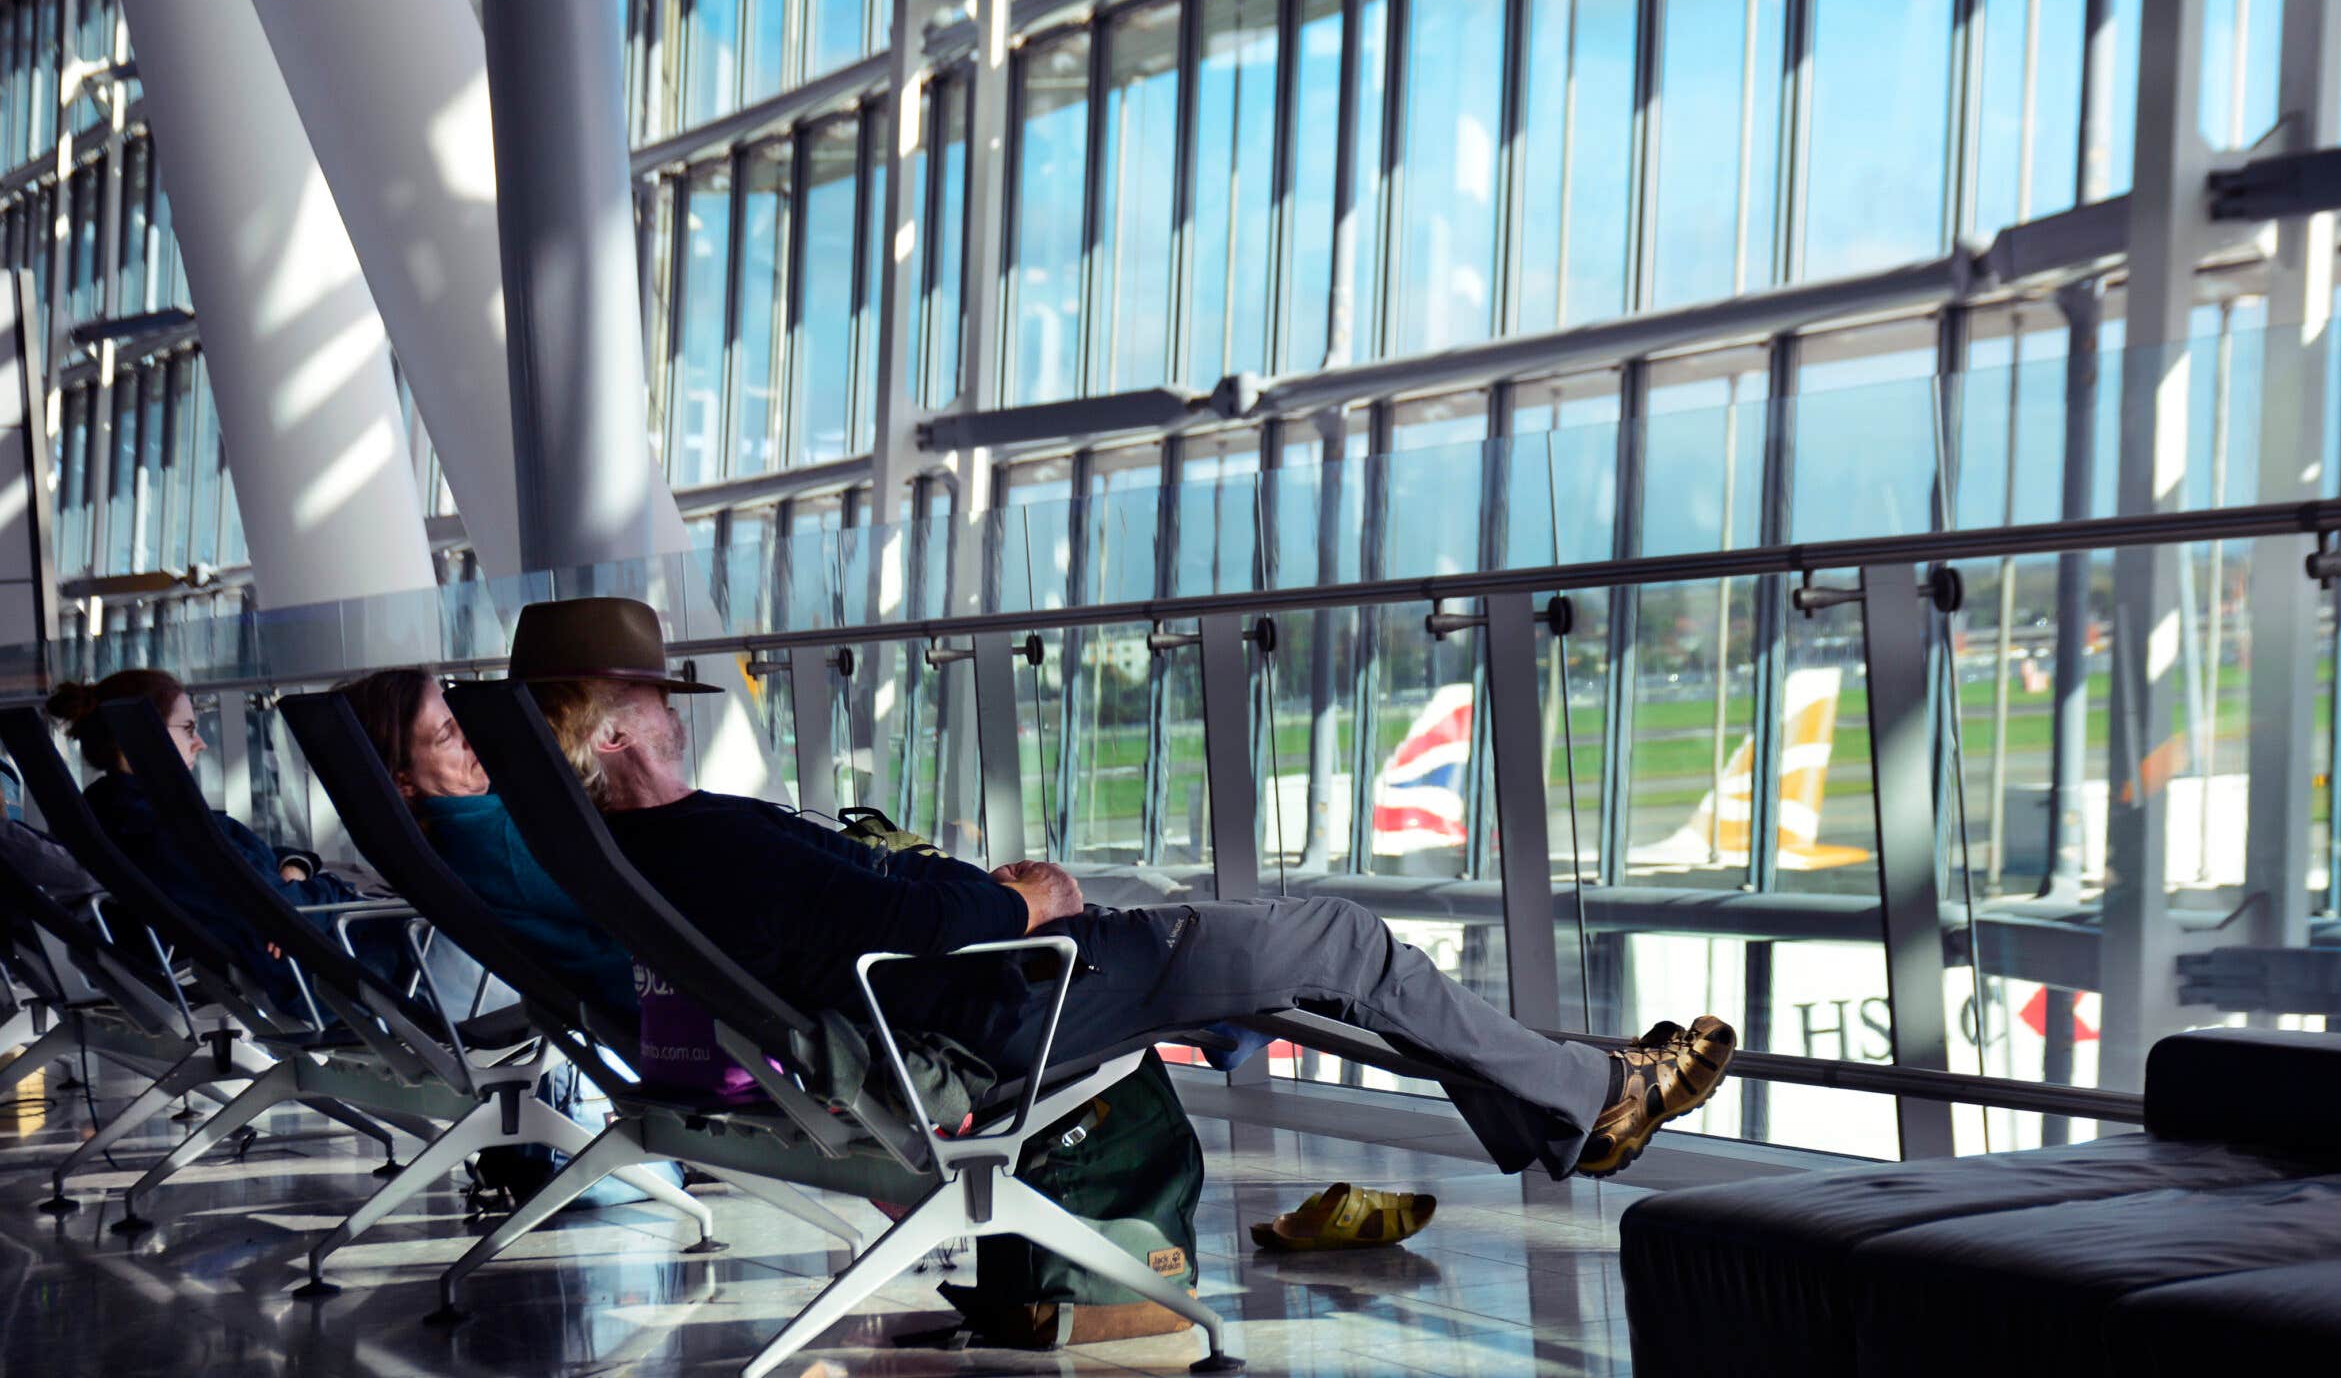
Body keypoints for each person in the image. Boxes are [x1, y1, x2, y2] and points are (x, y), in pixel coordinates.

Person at [512, 597, 1735, 1181]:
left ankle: (1574, 1100)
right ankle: (1585, 1092)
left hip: (962, 994)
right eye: (657, 699)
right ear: (614, 733)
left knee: (1298, 978)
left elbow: (858, 916)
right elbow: (914, 923)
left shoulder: (650, 854)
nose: (675, 712)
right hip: (1002, 1002)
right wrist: (1025, 903)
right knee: (1340, 942)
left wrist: (971, 902)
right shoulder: (708, 844)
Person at [46, 670, 414, 1013]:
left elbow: (262, 883)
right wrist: (316, 893)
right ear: (138, 737)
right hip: (332, 976)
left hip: (303, 943)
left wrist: (296, 870)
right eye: (188, 729)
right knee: (418, 927)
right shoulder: (164, 831)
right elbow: (279, 912)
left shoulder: (109, 814)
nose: (200, 743)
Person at [334, 668, 634, 1026]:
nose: (468, 735)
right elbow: (628, 901)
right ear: (405, 781)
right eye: (447, 735)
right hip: (643, 994)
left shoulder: (442, 835)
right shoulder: (498, 840)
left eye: (458, 718)